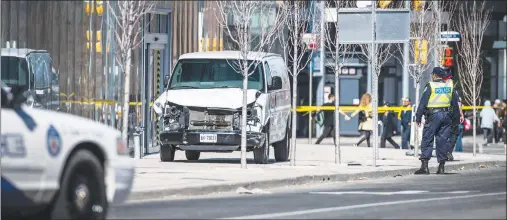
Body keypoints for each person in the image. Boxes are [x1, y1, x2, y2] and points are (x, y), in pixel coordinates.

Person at [414, 67, 460, 175]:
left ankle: (425, 167)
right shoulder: (449, 86)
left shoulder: (431, 85)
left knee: (427, 138)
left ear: (434, 75)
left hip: (433, 115)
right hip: (447, 116)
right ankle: (441, 167)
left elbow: (423, 102)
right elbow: (455, 104)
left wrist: (418, 117)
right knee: (443, 140)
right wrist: (456, 119)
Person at [442, 71, 464, 161]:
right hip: (453, 115)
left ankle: (444, 152)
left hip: (443, 114)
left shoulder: (441, 90)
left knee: (444, 134)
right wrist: (461, 115)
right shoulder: (453, 91)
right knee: (454, 134)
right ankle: (448, 152)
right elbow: (458, 104)